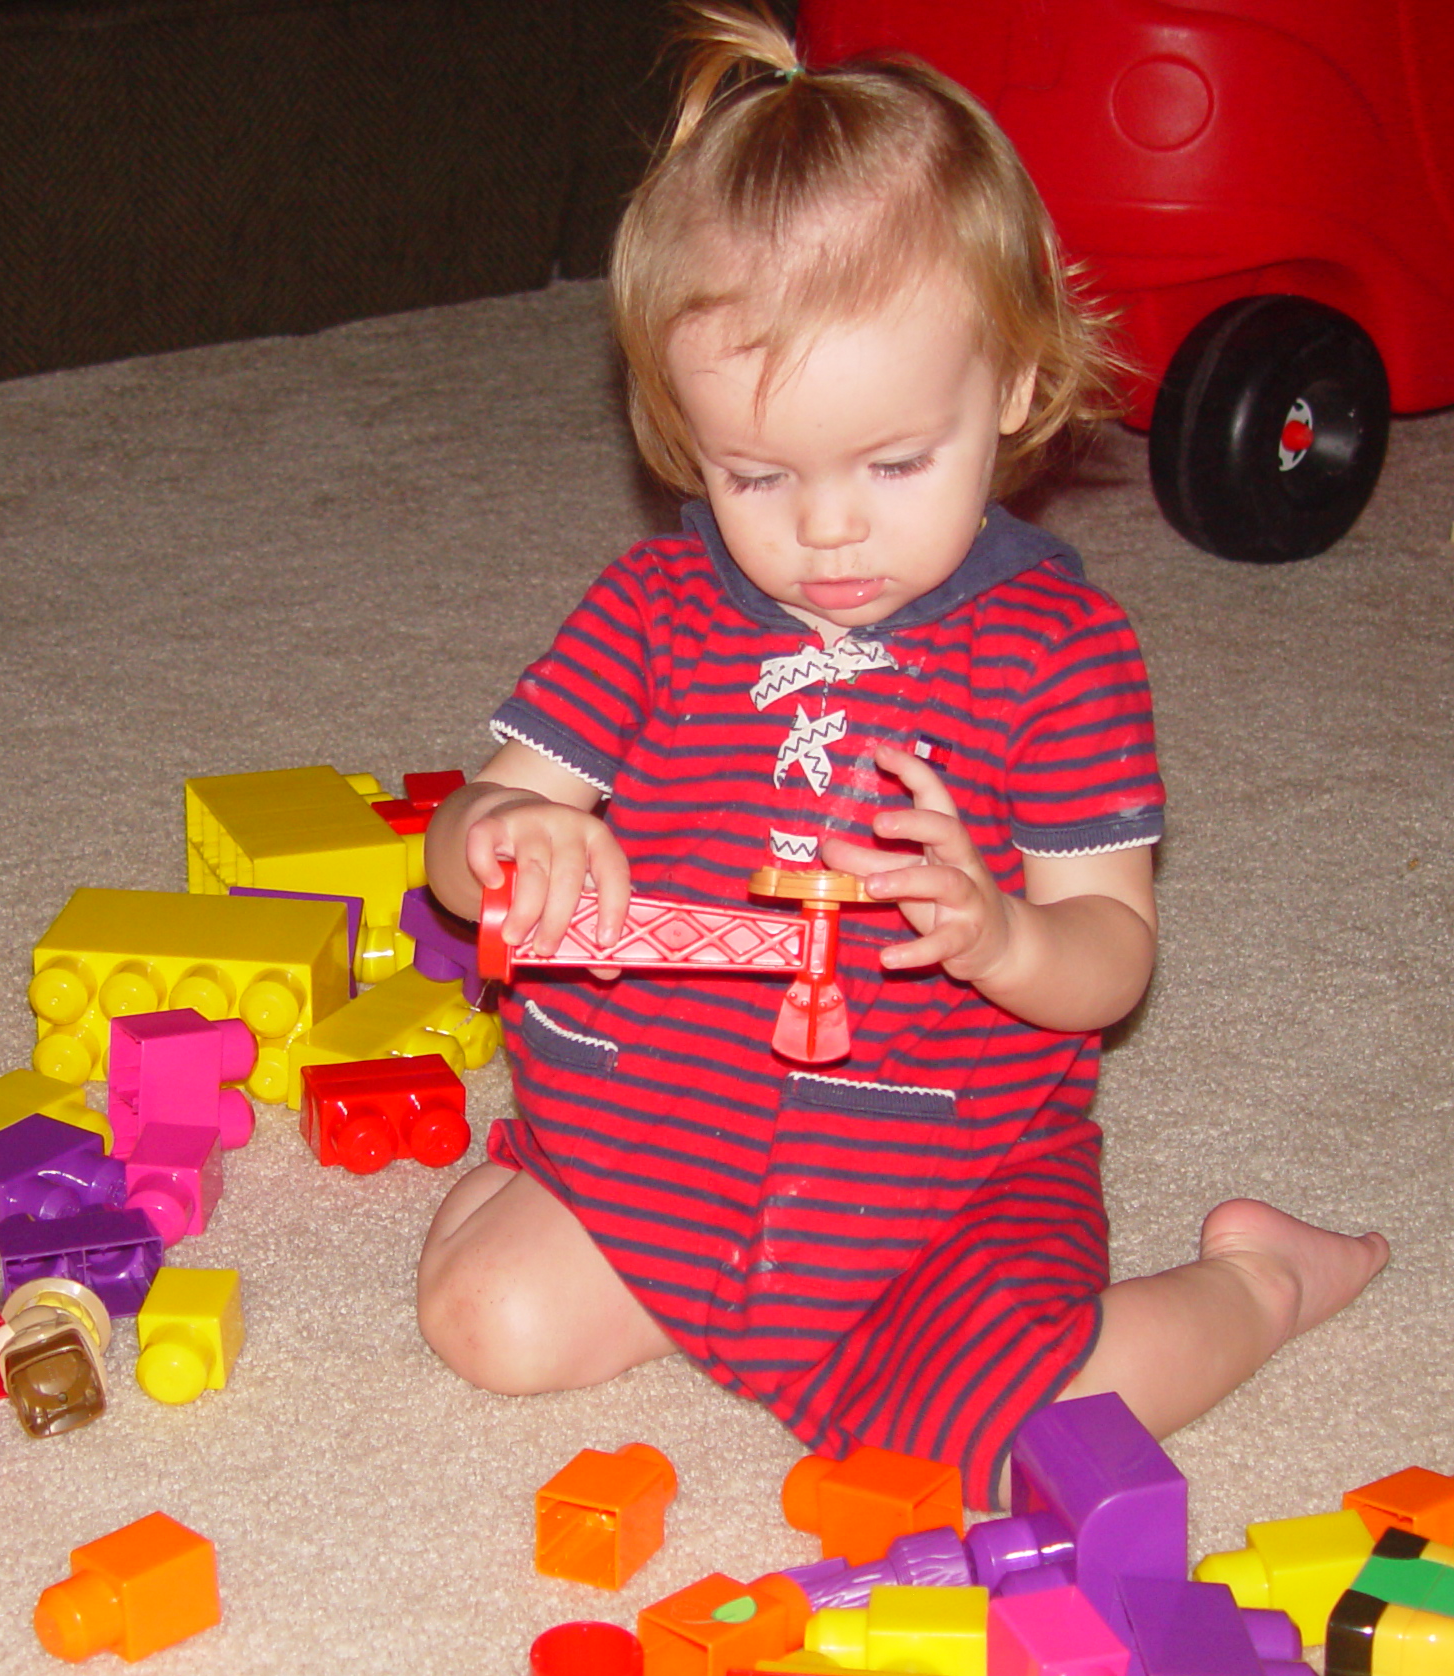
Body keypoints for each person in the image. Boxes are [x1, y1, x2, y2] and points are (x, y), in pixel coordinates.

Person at [414, 0, 1386, 1507]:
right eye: (756, 473)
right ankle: (545, 1182)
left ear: (1007, 387)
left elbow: (1110, 957)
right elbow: (470, 850)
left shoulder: (1060, 657)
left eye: (891, 463)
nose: (826, 528)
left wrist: (1001, 934)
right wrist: (509, 842)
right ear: (682, 431)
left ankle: (1256, 1286)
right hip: (656, 1151)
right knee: (483, 1323)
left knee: (1009, 1447)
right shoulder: (653, 607)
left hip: (937, 1193)